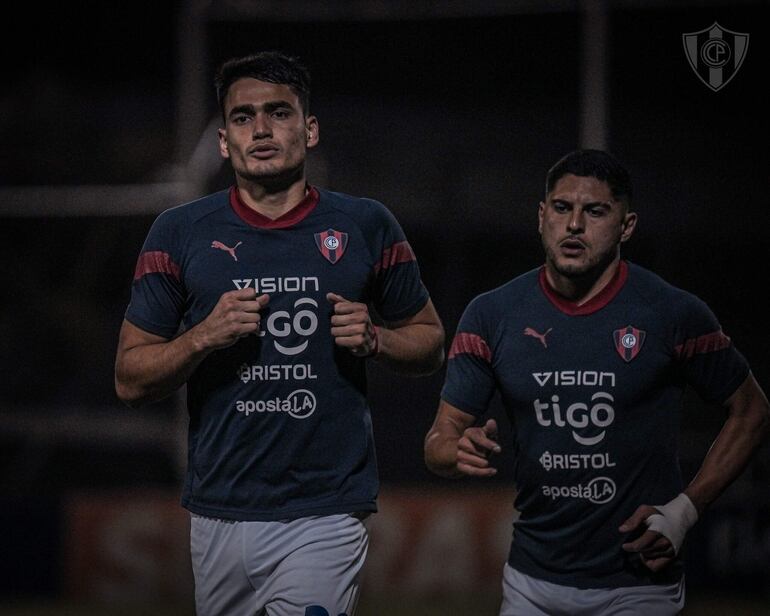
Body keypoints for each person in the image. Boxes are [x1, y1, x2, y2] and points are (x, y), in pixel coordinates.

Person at [115, 51, 444, 616]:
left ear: (309, 129)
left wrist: (378, 340)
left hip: (327, 507)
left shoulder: (365, 224)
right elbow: (128, 378)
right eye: (243, 118)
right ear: (224, 141)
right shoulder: (178, 232)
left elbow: (430, 341)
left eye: (279, 113)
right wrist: (201, 336)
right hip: (220, 510)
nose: (261, 130)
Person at [424, 149, 769, 615]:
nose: (574, 225)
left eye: (595, 211)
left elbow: (752, 410)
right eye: (563, 208)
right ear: (542, 216)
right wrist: (454, 449)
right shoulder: (491, 316)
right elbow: (438, 441)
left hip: (638, 584)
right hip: (531, 583)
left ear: (626, 226)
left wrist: (686, 510)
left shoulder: (672, 314)